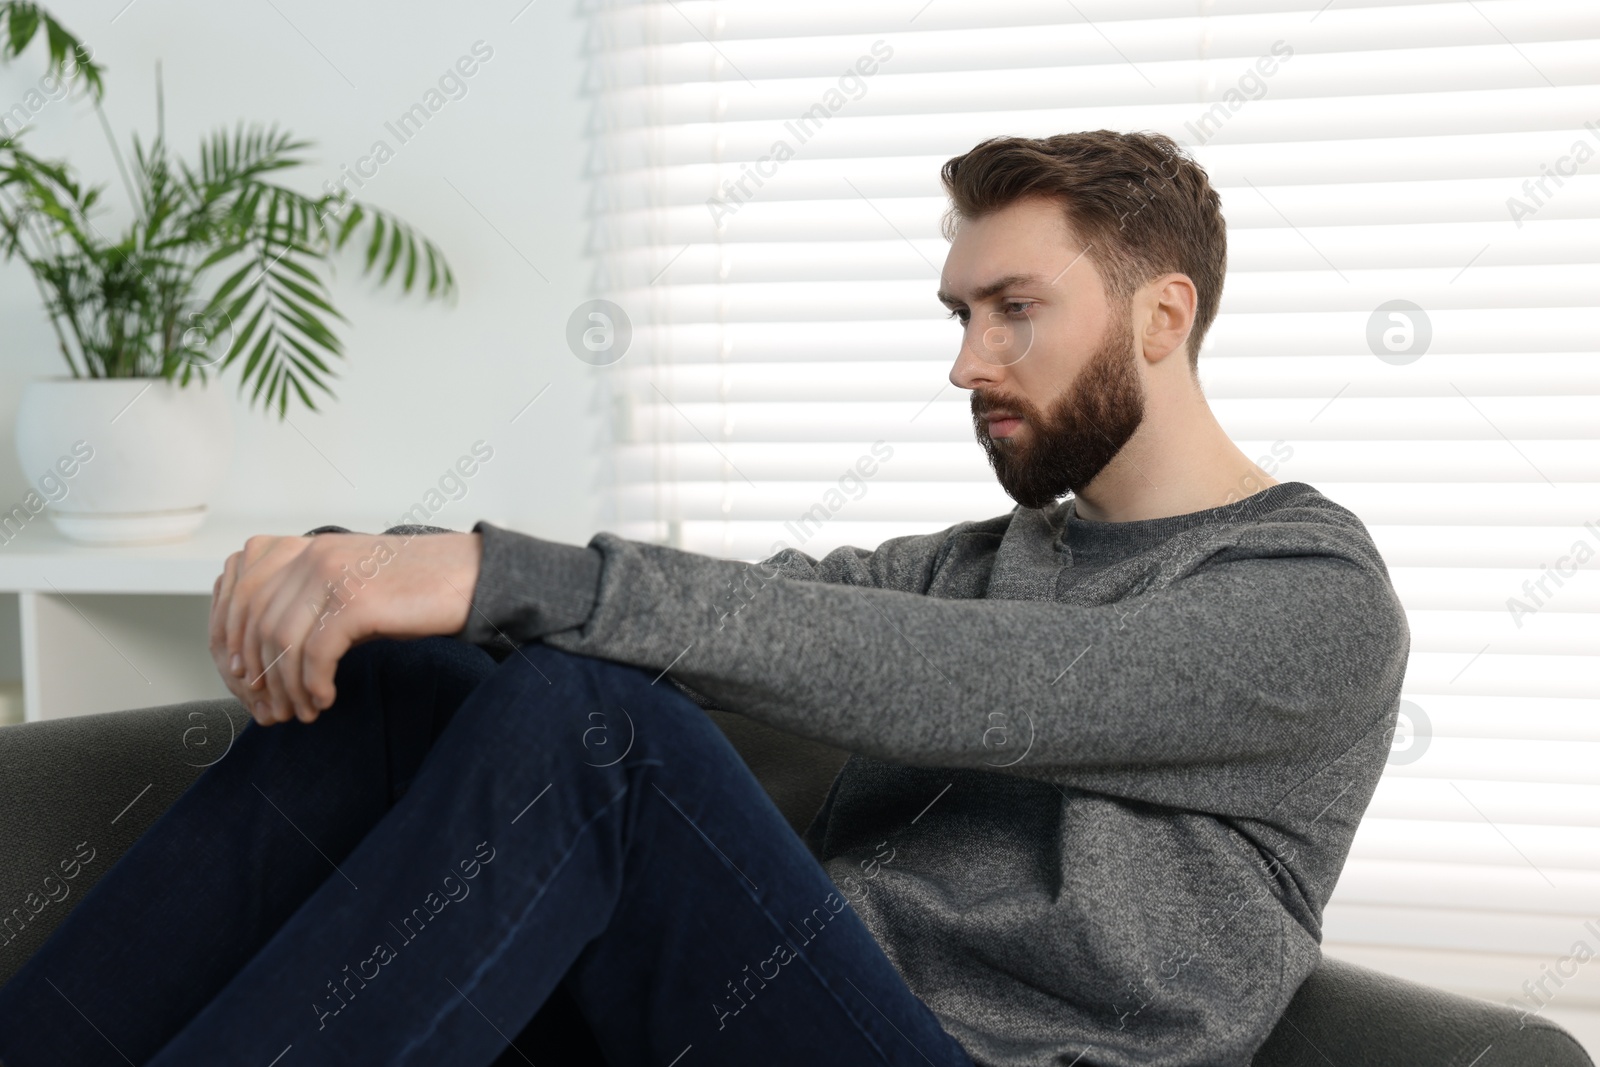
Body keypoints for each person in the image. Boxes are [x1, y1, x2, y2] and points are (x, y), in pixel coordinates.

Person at [0, 130, 1409, 1067]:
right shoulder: (990, 559)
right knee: (401, 682)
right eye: (958, 314)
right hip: (770, 1011)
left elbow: (959, 684)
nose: (968, 361)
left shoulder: (1306, 599)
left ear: (1165, 316)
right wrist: (371, 560)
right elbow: (747, 607)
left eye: (1015, 309)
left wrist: (490, 569)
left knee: (593, 729)